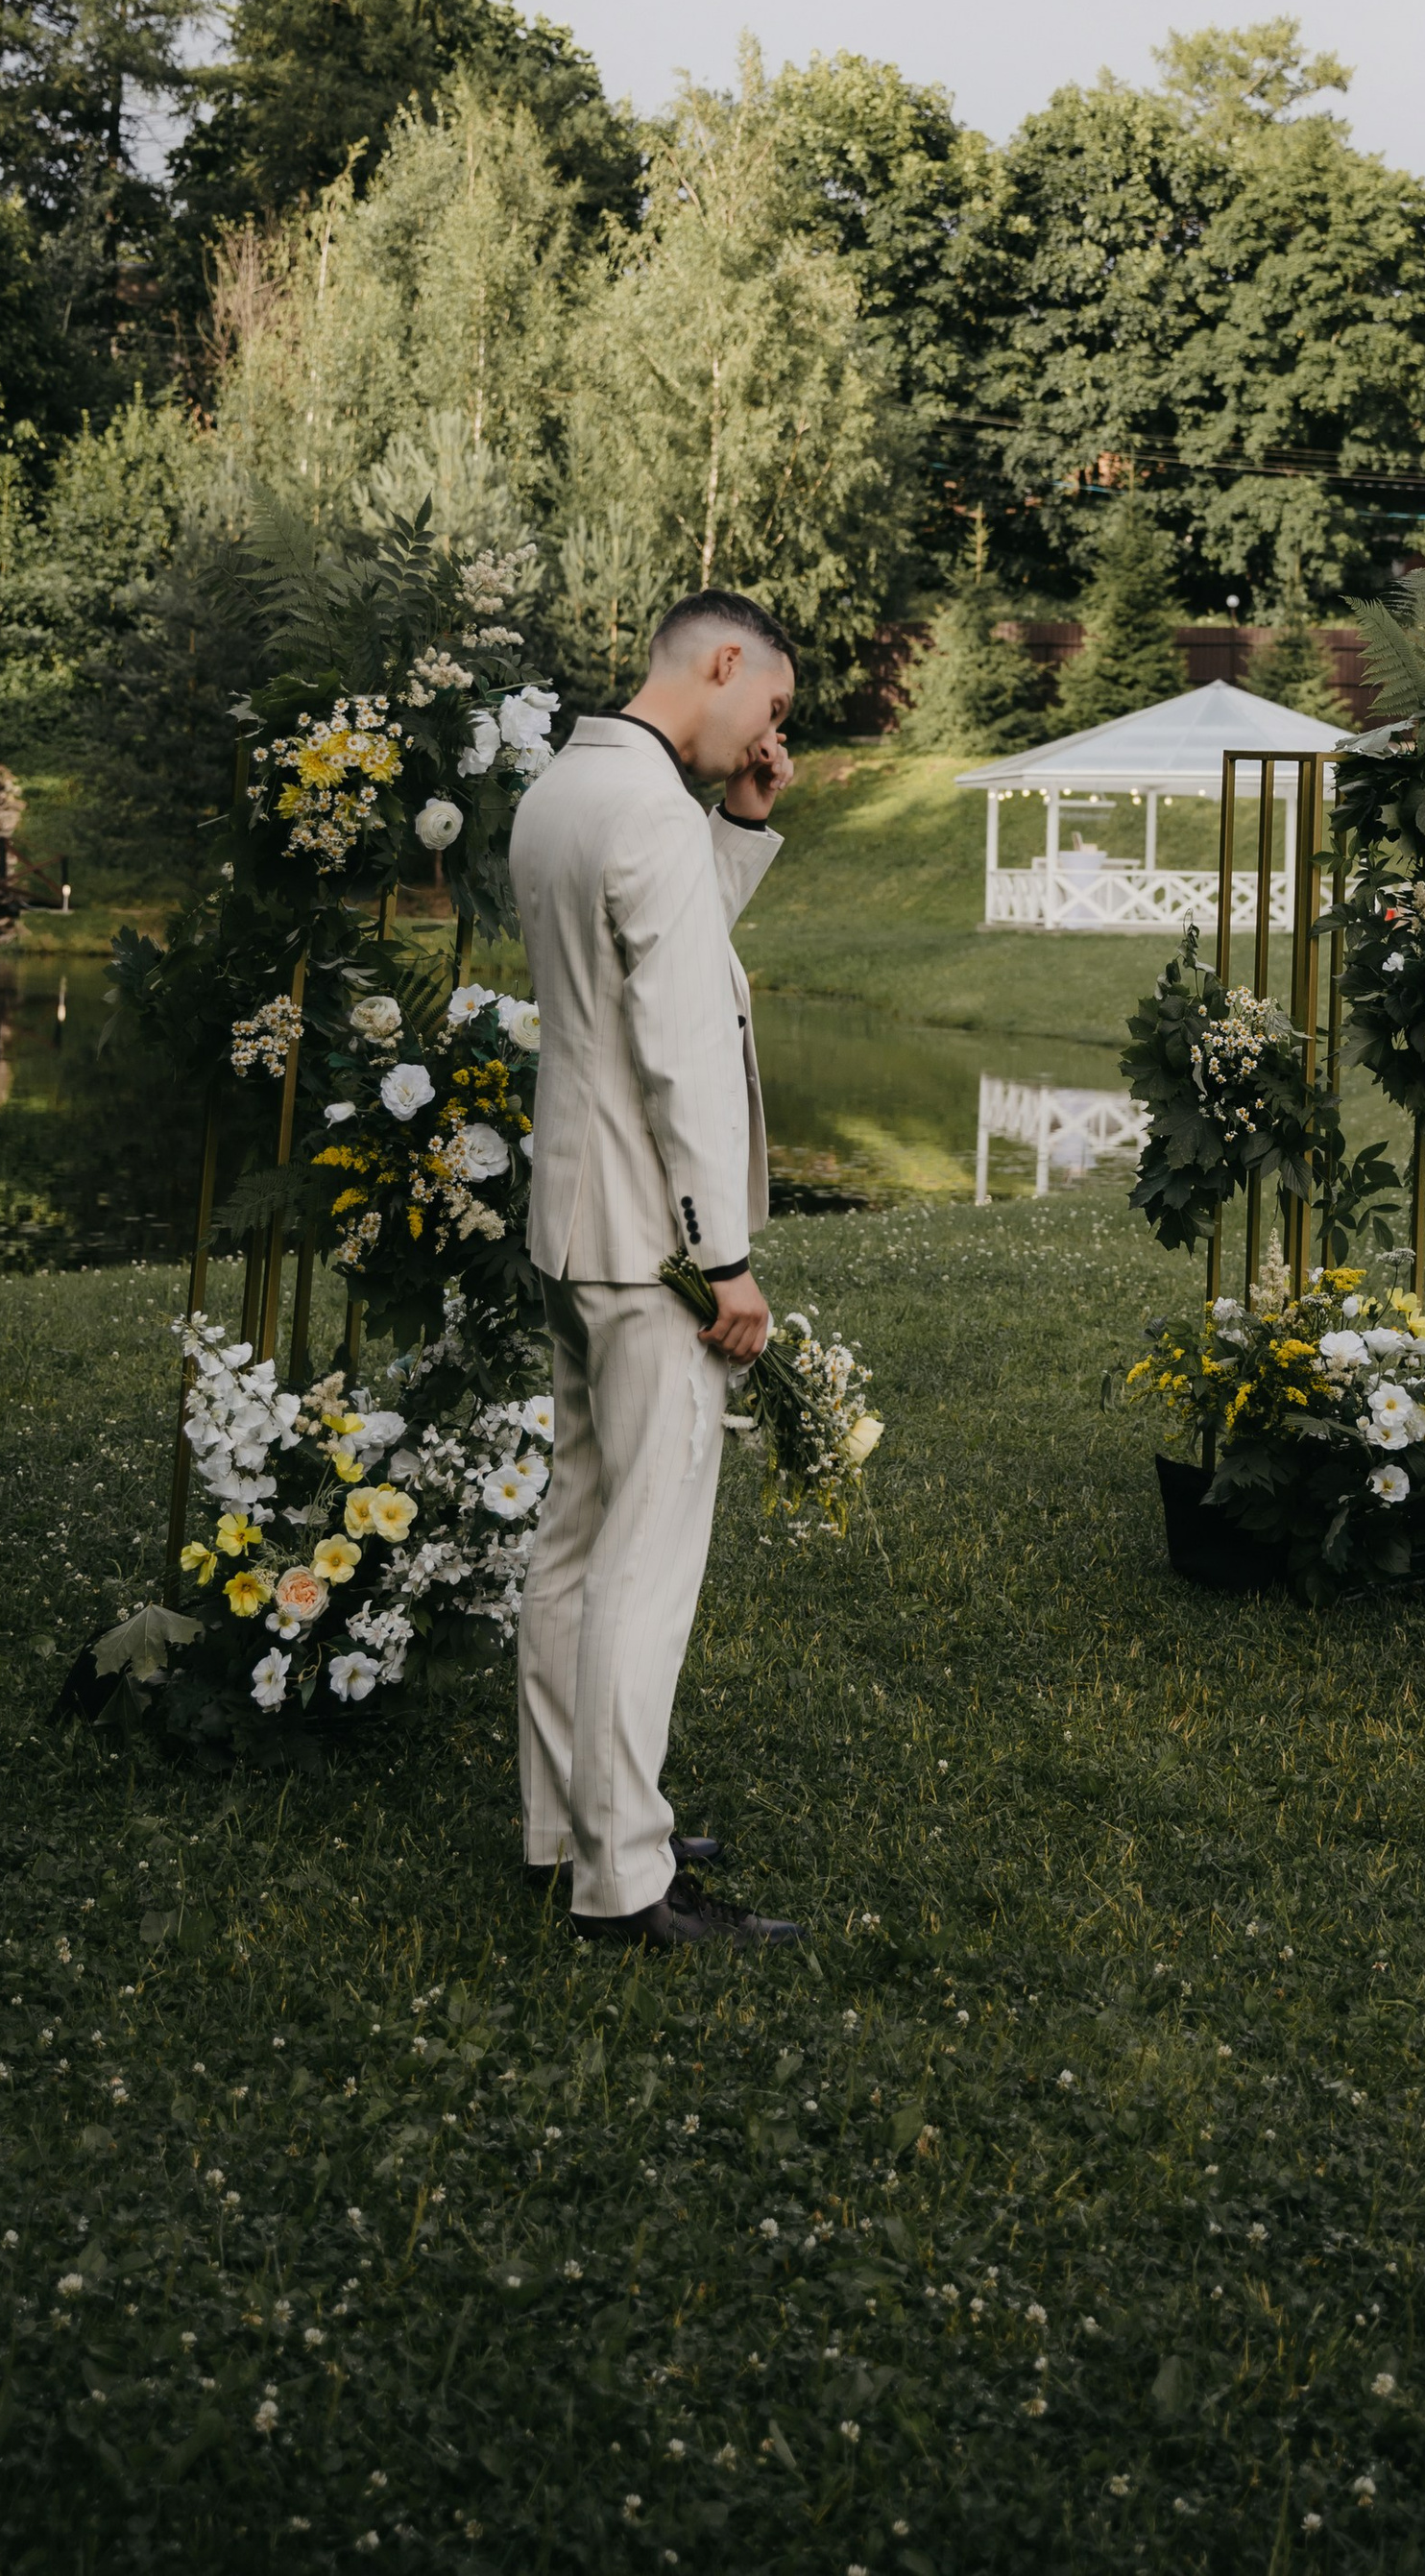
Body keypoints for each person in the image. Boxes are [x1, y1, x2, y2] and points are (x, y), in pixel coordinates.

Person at [510, 588, 805, 1949]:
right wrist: (725, 1257)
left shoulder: (570, 789)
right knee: (646, 1552)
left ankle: (567, 1821)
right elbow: (683, 1038)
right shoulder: (646, 815)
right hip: (653, 1245)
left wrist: (741, 820)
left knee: (576, 1528)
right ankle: (623, 1881)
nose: (770, 733)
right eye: (773, 711)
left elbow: (678, 953)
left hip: (575, 1220)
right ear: (725, 662)